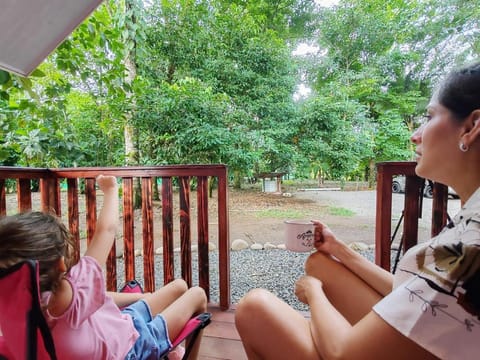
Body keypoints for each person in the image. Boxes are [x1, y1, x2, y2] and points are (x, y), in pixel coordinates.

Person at [235, 61, 480, 359]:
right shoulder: (472, 219)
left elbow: (345, 354)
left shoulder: (470, 251)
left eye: (429, 117)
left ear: (471, 127)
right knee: (320, 265)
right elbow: (414, 290)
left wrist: (314, 294)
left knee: (254, 307)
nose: (416, 135)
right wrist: (339, 249)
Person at [0, 175, 208, 360]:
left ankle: (171, 347)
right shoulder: (71, 293)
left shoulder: (20, 305)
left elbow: (99, 298)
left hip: (120, 324)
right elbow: (106, 231)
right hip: (132, 348)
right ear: (60, 263)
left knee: (179, 286)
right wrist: (110, 189)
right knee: (197, 293)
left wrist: (141, 298)